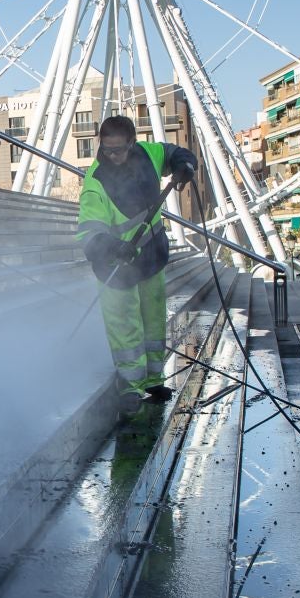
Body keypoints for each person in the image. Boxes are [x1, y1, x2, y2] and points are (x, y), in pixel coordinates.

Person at [76, 115, 197, 413]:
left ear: (132, 142)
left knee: (153, 320)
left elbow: (173, 153)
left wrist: (185, 166)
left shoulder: (148, 155)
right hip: (115, 268)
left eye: (118, 149)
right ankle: (130, 386)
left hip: (150, 258)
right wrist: (114, 247)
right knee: (125, 328)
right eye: (107, 150)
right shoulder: (96, 182)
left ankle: (154, 380)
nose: (112, 156)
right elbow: (89, 234)